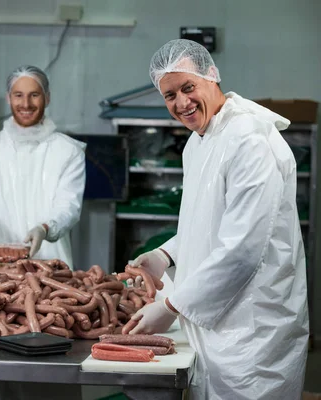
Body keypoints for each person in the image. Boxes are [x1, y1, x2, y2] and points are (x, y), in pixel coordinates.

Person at [123, 39, 309, 399]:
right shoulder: (198, 142)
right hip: (215, 323)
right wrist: (164, 255)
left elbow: (242, 249)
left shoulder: (249, 140)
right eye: (169, 95)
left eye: (188, 87)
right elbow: (207, 221)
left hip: (253, 328)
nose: (181, 103)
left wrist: (171, 307)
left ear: (212, 76)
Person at [0, 65, 86, 400]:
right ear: (8, 98)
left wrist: (46, 228)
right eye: (18, 95)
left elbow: (68, 206)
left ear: (47, 98)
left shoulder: (67, 150)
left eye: (34, 94)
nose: (25, 103)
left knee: (48, 370)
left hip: (48, 276)